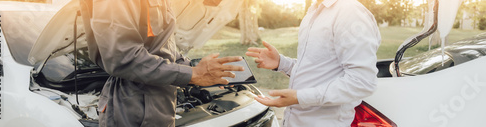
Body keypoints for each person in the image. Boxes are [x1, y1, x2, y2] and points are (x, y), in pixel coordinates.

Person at [81, 0, 243, 126]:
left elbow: (162, 48)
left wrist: (199, 71)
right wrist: (192, 75)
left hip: (161, 104)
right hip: (132, 107)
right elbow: (122, 57)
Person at [245, 0, 381, 126]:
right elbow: (317, 70)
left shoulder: (350, 12)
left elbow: (362, 82)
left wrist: (300, 97)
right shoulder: (313, 11)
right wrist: (281, 63)